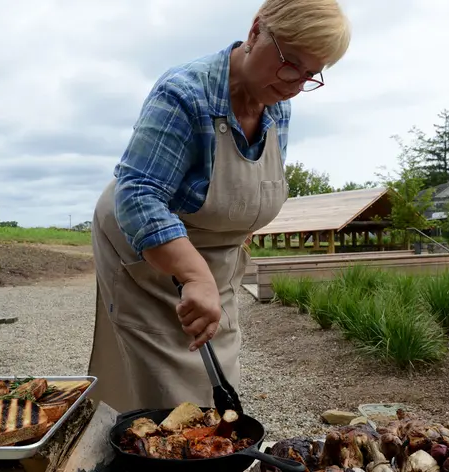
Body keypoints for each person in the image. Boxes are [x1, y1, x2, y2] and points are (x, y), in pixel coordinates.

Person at [87, 0, 351, 413]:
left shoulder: (278, 105)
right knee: (165, 390)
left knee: (219, 385)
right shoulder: (184, 93)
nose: (294, 84)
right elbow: (138, 193)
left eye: (310, 75)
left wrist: (223, 254)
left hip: (215, 262)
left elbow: (245, 190)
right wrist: (194, 274)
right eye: (290, 63)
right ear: (256, 30)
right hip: (145, 250)